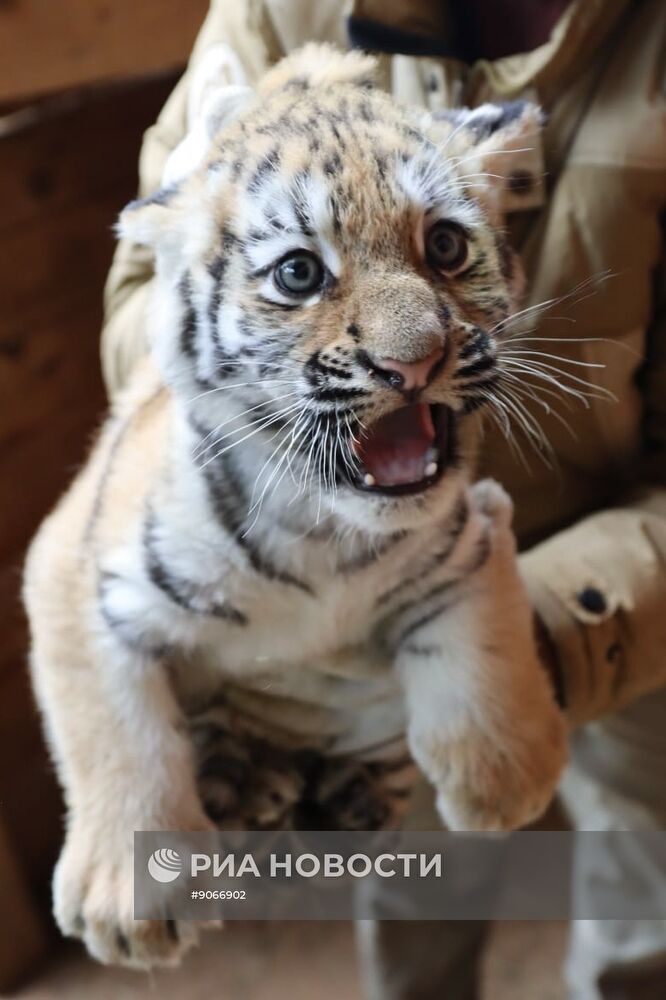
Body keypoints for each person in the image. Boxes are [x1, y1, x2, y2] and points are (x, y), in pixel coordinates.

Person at [102, 2, 666, 997]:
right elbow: (142, 301)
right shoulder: (287, 10)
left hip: (624, 567)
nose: (413, 349)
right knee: (413, 880)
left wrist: (516, 633)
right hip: (354, 587)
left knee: (648, 870)